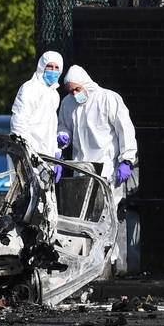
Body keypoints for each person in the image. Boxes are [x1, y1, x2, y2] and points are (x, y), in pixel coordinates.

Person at [57, 64, 139, 274]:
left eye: (77, 89)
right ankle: (94, 265)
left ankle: (109, 262)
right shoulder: (68, 104)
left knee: (106, 217)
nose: (75, 94)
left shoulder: (108, 99)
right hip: (82, 169)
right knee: (86, 220)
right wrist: (62, 137)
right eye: (71, 91)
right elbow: (63, 126)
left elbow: (125, 129)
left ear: (86, 84)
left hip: (108, 168)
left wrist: (127, 160)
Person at [10, 51, 63, 157]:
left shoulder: (54, 94)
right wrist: (29, 153)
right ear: (42, 67)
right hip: (29, 154)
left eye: (56, 68)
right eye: (49, 66)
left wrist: (55, 151)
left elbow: (50, 128)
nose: (53, 71)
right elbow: (19, 123)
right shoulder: (30, 88)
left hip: (47, 155)